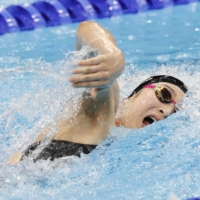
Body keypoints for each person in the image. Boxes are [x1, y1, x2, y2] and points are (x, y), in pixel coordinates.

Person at [7, 21, 188, 164]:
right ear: (131, 97)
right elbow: (86, 29)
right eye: (165, 94)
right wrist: (113, 56)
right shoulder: (103, 110)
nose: (167, 111)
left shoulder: (120, 147)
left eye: (175, 113)